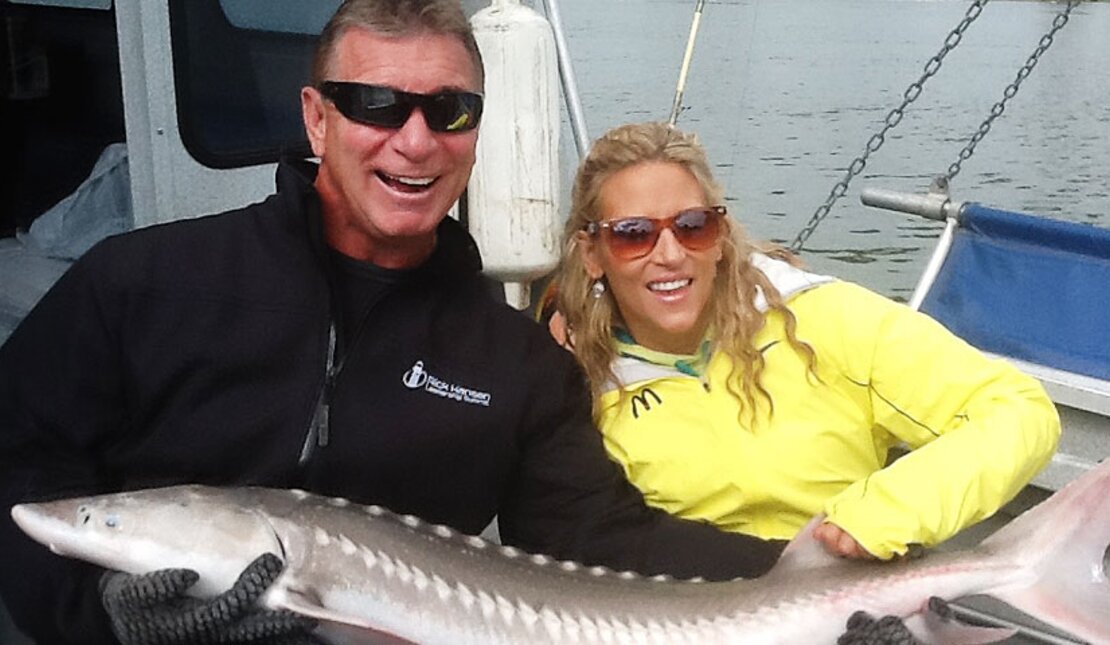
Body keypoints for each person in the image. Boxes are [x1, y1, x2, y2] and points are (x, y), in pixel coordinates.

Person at [0, 4, 788, 644]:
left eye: (451, 110)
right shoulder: (140, 282)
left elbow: (607, 544)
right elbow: (20, 472)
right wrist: (100, 607)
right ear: (316, 120)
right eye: (377, 104)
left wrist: (802, 578)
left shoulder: (516, 362)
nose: (416, 141)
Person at [551, 120, 1061, 562]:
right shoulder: (570, 374)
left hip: (851, 588)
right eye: (633, 233)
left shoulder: (823, 321)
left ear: (721, 237)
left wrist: (882, 516)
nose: (669, 254)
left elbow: (1018, 410)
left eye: (692, 226)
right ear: (592, 252)